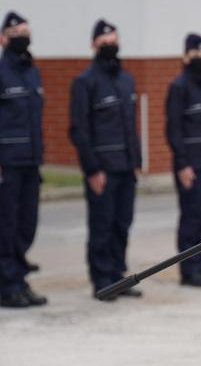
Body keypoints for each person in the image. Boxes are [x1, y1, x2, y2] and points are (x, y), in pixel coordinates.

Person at [69, 19, 142, 301]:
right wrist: (92, 169)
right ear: (93, 45)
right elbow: (79, 129)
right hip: (102, 169)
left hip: (126, 167)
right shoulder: (85, 82)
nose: (110, 45)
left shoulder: (126, 80)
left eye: (114, 40)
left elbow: (130, 126)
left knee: (122, 224)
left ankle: (118, 277)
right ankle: (101, 280)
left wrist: (136, 161)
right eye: (105, 42)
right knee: (102, 225)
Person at [166, 33, 201, 287]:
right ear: (186, 56)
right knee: (191, 217)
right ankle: (188, 270)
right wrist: (182, 164)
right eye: (196, 54)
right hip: (191, 164)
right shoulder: (179, 87)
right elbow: (174, 129)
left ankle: (200, 265)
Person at [0, 11, 47, 308]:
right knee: (6, 226)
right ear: (3, 38)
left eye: (26, 31)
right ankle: (8, 285)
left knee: (26, 225)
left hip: (31, 161)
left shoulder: (32, 72)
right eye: (16, 32)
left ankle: (18, 278)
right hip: (8, 164)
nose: (23, 37)